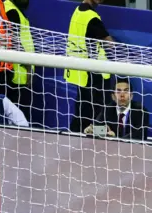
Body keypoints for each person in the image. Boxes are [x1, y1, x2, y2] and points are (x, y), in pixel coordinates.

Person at [65, 0, 113, 133]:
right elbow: (110, 44)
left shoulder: (77, 11)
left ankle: (74, 138)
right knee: (95, 115)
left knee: (82, 111)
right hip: (94, 74)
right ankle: (94, 145)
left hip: (81, 72)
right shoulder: (91, 17)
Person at [84, 77, 150, 140]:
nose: (122, 95)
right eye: (118, 91)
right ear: (113, 97)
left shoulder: (140, 111)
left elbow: (139, 135)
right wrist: (92, 130)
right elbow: (98, 127)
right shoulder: (107, 109)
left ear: (131, 96)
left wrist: (115, 138)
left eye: (126, 91)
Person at [4, 0, 34, 123]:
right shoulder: (12, 11)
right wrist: (27, 67)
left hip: (19, 75)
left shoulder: (13, 9)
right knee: (19, 120)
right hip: (17, 76)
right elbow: (13, 41)